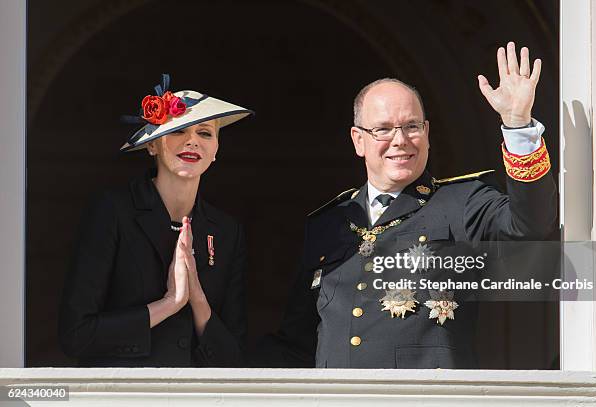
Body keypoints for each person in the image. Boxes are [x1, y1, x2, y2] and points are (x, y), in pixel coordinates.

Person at [257, 42, 557, 368]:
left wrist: (517, 125)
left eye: (411, 126)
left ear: (426, 133)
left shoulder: (462, 202)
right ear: (359, 140)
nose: (400, 140)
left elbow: (531, 226)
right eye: (383, 129)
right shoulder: (329, 223)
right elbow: (297, 341)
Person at [59, 75, 252, 367]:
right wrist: (169, 303)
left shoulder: (227, 231)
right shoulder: (113, 211)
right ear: (153, 146)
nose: (192, 141)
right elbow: (76, 335)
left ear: (215, 150)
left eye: (205, 133)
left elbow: (234, 358)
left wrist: (196, 299)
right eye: (179, 131)